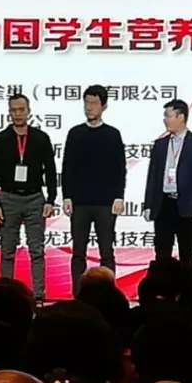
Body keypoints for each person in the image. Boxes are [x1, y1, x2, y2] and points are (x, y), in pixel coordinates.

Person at [0, 93, 57, 303]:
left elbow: (50, 170)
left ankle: (38, 295)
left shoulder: (41, 138)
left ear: (29, 111)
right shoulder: (1, 139)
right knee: (7, 251)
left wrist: (51, 199)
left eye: (21, 110)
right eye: (13, 110)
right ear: (9, 112)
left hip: (35, 198)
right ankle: (5, 296)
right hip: (8, 198)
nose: (18, 114)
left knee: (37, 250)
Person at [62, 84, 127, 297]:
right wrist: (67, 196)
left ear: (104, 106)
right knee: (78, 252)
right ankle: (78, 294)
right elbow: (67, 167)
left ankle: (109, 295)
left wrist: (119, 196)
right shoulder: (75, 133)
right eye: (86, 103)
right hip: (79, 202)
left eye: (94, 103)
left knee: (106, 252)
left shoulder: (112, 134)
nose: (89, 107)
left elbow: (120, 168)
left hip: (105, 202)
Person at [143, 99, 192, 264]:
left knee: (187, 253)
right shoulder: (160, 145)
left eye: (168, 116)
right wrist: (148, 205)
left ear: (181, 117)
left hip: (187, 205)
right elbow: (152, 177)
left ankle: (187, 281)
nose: (165, 120)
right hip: (163, 205)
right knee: (162, 253)